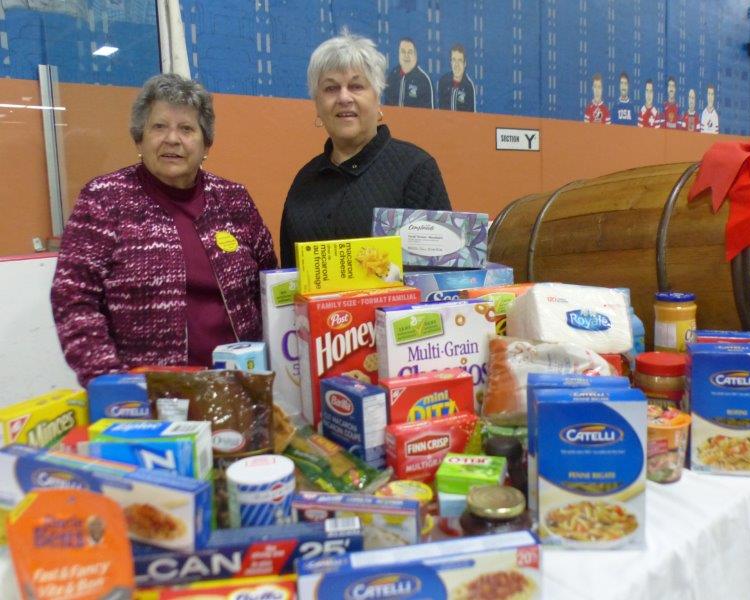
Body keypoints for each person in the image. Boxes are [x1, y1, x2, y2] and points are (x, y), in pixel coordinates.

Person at [51, 74, 277, 386]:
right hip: (146, 395)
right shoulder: (104, 198)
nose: (173, 139)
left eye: (186, 128)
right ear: (139, 139)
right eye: (159, 127)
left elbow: (268, 285)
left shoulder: (234, 199)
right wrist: (108, 380)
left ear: (205, 143)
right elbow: (73, 296)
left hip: (240, 385)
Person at [280, 31, 451, 268]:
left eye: (356, 86)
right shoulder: (304, 182)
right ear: (317, 105)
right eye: (330, 88)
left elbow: (442, 276)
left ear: (377, 98)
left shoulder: (415, 170)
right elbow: (290, 275)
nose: (344, 97)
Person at [384, 37, 434, 108]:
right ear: (399, 54)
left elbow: (430, 115)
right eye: (403, 52)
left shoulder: (424, 80)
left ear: (415, 55)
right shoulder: (392, 76)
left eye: (410, 52)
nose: (406, 56)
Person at [437, 44, 476, 111]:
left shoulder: (469, 86)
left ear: (465, 63)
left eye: (460, 60)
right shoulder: (443, 82)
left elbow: (471, 116)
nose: (456, 64)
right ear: (451, 62)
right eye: (454, 60)